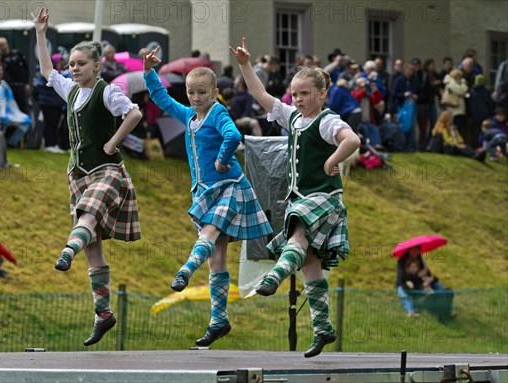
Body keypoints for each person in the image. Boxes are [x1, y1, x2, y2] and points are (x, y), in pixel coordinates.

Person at [231, 37, 360, 358]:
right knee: (311, 265)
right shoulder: (292, 118)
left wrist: (333, 161)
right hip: (300, 197)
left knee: (298, 232)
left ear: (321, 93)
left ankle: (274, 277)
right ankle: (323, 328)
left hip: (322, 199)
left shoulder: (328, 121)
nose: (299, 99)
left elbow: (353, 139)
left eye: (305, 94)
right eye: (295, 94)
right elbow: (260, 95)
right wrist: (246, 65)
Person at [143, 46, 273, 347]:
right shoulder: (189, 116)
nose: (196, 97)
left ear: (214, 92)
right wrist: (149, 72)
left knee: (210, 231)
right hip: (206, 191)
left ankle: (186, 270)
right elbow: (161, 99)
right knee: (217, 258)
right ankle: (219, 320)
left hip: (229, 187)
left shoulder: (217, 112)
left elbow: (233, 136)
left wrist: (221, 158)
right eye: (191, 92)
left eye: (202, 92)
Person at [33, 8, 143, 347]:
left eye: (81, 63)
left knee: (88, 215)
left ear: (96, 66)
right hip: (78, 173)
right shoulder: (70, 91)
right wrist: (40, 33)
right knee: (93, 246)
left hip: (107, 171)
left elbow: (134, 112)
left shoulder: (106, 92)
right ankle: (104, 314)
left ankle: (67, 251)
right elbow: (47, 69)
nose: (74, 68)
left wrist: (113, 141)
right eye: (72, 64)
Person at [0, 61, 31, 147]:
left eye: (1, 70)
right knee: (3, 120)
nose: (0, 72)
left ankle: (11, 143)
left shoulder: (3, 83)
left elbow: (10, 100)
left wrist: (13, 111)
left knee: (26, 121)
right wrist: (3, 113)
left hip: (8, 112)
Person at [396, 246, 445, 317]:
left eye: (417, 250)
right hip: (406, 285)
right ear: (409, 250)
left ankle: (444, 306)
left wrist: (428, 276)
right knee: (402, 291)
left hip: (421, 284)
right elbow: (402, 278)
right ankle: (411, 311)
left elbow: (428, 274)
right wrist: (418, 276)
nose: (415, 252)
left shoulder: (420, 259)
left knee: (438, 285)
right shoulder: (402, 261)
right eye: (413, 250)